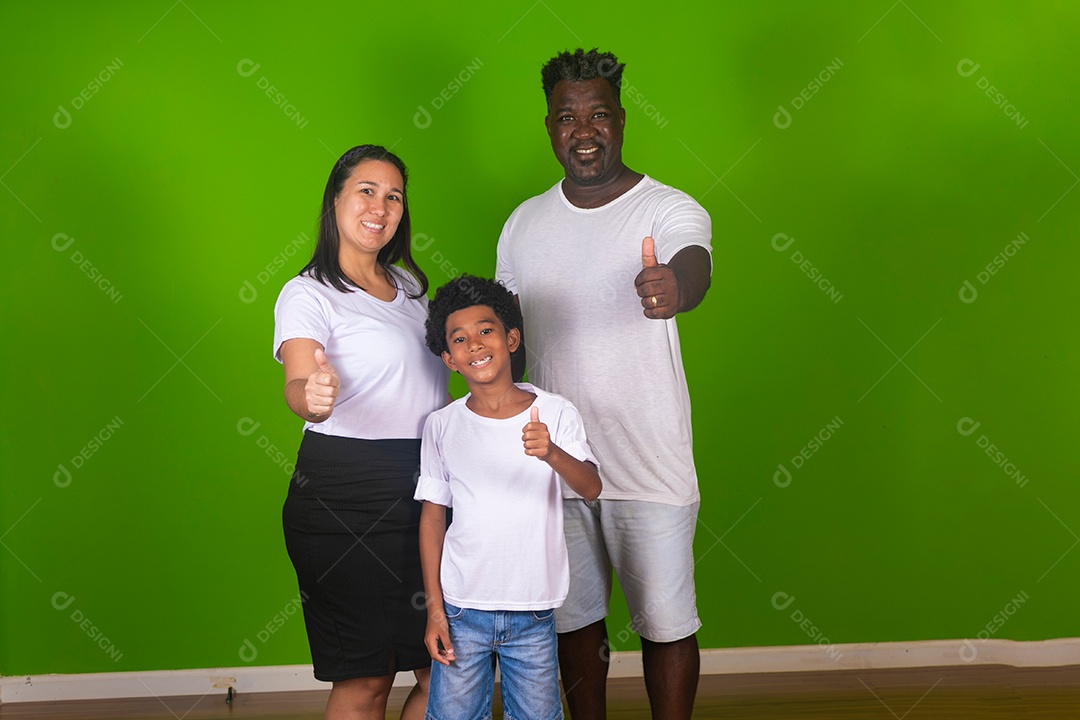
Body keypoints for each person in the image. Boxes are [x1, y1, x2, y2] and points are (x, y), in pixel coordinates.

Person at [495, 49, 713, 720]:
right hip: (557, 463)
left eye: (597, 116)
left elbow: (694, 264)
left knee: (666, 623)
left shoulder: (669, 208)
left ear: (620, 119)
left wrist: (673, 286)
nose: (583, 131)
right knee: (574, 622)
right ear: (549, 126)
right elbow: (508, 342)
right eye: (567, 117)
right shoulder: (522, 224)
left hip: (649, 458)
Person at [273, 144, 449, 720]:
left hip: (425, 493)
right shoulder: (308, 292)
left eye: (393, 196)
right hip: (343, 499)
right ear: (336, 201)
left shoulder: (411, 289)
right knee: (367, 680)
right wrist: (312, 398)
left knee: (445, 668)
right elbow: (300, 379)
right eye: (366, 192)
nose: (381, 206)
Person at [414, 275, 602, 720]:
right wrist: (435, 612)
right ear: (449, 359)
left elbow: (592, 488)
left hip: (533, 614)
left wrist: (551, 452)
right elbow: (431, 519)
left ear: (511, 338)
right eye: (459, 339)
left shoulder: (554, 411)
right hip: (462, 610)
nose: (475, 345)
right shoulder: (441, 425)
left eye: (486, 330)